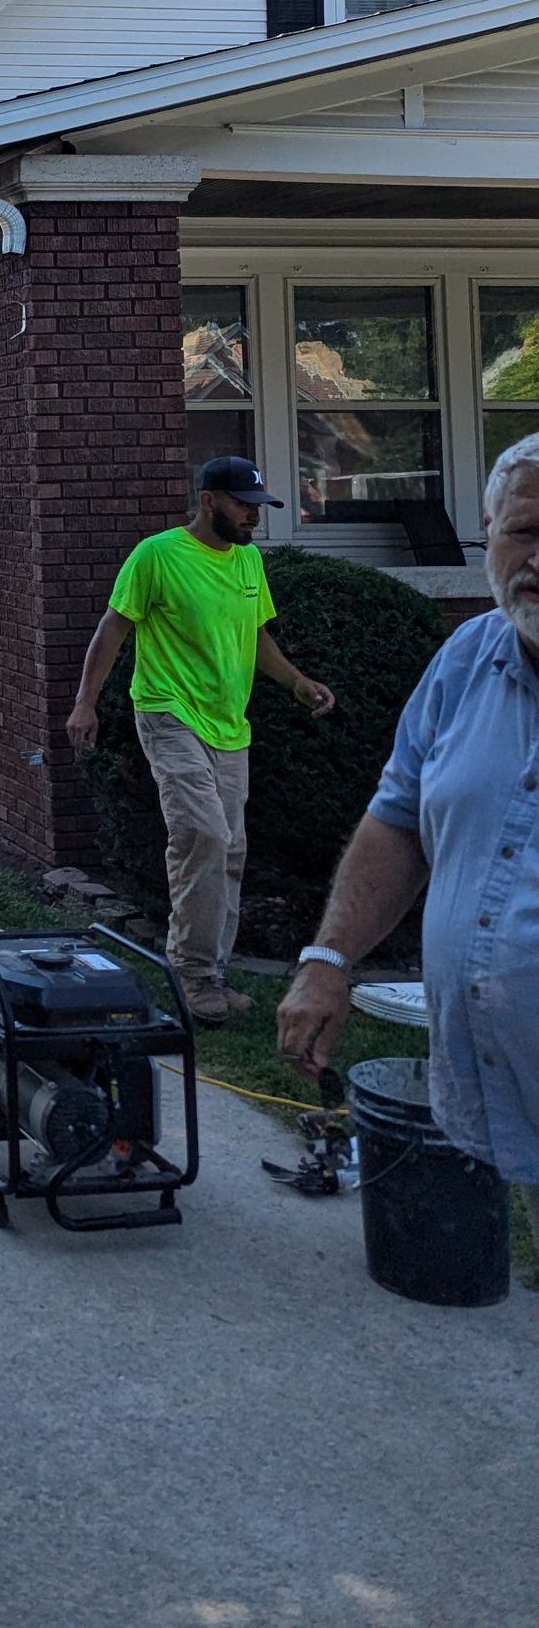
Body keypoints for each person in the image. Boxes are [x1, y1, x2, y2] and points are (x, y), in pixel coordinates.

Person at [277, 432, 539, 1200]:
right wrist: (328, 962)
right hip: (503, 1088)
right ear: (487, 539)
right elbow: (398, 823)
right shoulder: (464, 661)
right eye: (526, 531)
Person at [66, 455, 335, 1027]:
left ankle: (212, 971)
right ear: (209, 500)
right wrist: (86, 702)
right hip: (168, 712)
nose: (251, 518)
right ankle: (191, 976)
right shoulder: (157, 555)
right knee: (203, 835)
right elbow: (113, 628)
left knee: (229, 850)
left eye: (257, 508)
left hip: (228, 724)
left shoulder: (248, 562)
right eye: (242, 505)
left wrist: (296, 683)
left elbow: (255, 636)